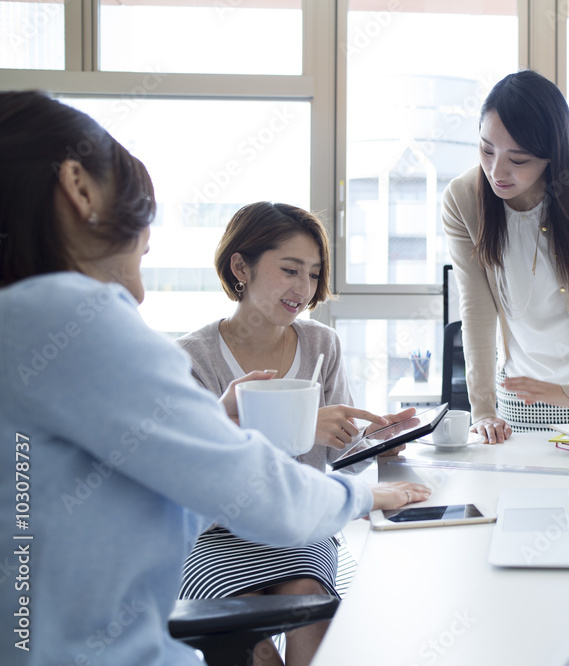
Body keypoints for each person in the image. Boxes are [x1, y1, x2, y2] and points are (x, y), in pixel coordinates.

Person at [0, 90, 431, 666]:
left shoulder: (19, 325)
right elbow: (253, 490)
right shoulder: (71, 319)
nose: (136, 292)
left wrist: (214, 425)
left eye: (313, 274)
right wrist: (365, 494)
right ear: (79, 188)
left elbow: (87, 509)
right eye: (137, 251)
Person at [176, 201, 412, 666]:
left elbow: (345, 454)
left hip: (301, 521)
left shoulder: (322, 344)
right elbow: (199, 473)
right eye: (289, 270)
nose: (302, 289)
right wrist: (301, 427)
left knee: (308, 598)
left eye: (312, 273)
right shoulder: (191, 358)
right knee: (247, 642)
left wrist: (377, 440)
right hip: (217, 532)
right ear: (240, 266)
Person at [442, 70, 569, 443]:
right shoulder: (462, 199)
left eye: (518, 160)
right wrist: (484, 409)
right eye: (486, 149)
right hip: (522, 390)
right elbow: (476, 310)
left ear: (550, 157)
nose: (496, 171)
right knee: (521, 497)